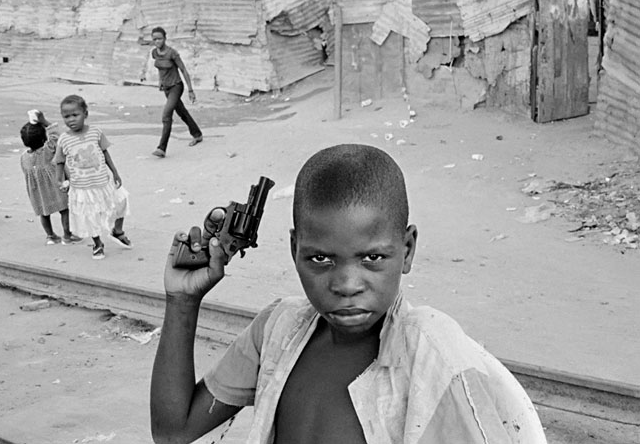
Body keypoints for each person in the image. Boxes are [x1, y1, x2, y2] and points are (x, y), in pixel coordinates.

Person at [150, 144, 547, 444]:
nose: (346, 284)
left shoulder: (434, 362)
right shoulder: (278, 331)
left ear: (406, 250)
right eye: (321, 258)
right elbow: (173, 430)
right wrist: (183, 302)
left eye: (372, 257)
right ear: (294, 251)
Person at [53, 94, 132, 260]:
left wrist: (115, 172)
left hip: (103, 182)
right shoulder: (64, 140)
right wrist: (59, 180)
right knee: (90, 217)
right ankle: (97, 243)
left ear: (85, 114)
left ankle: (117, 231)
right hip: (82, 188)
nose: (71, 120)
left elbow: (105, 153)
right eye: (66, 116)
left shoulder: (96, 132)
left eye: (75, 115)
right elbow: (59, 161)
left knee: (120, 202)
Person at [20, 109, 82, 246]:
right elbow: (57, 136)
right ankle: (67, 235)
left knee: (44, 213)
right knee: (64, 210)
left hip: (38, 192)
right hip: (56, 186)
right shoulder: (48, 150)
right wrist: (44, 121)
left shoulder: (24, 158)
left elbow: (26, 173)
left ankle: (50, 236)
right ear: (44, 139)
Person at [140, 26, 203, 158]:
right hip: (166, 88)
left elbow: (184, 70)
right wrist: (160, 82)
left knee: (166, 115)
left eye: (160, 38)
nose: (157, 41)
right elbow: (160, 68)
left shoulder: (172, 53)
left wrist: (190, 90)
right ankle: (197, 134)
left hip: (176, 86)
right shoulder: (154, 53)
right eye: (154, 39)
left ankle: (161, 148)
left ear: (165, 39)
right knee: (182, 112)